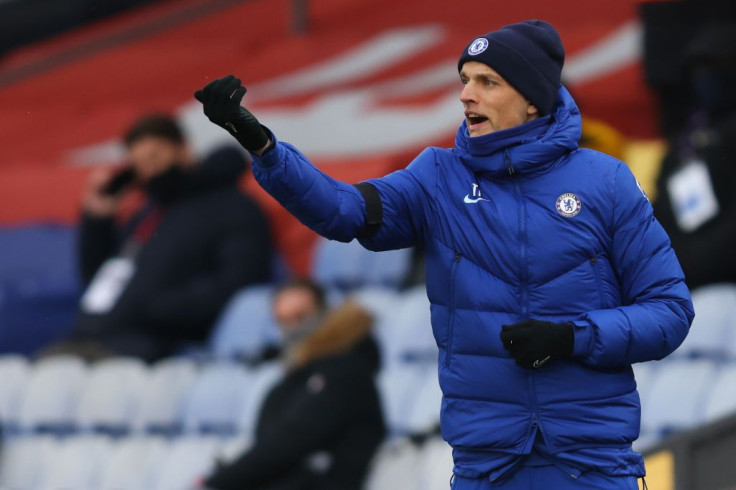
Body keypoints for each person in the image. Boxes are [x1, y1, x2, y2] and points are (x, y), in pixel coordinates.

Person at [194, 20, 693, 489]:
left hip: (591, 465)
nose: (465, 94)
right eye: (465, 79)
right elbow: (342, 210)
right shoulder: (436, 177)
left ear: (533, 102)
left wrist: (573, 338)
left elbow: (670, 311)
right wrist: (262, 147)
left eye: (487, 82)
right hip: (488, 464)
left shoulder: (605, 181)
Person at [47, 114, 273, 362]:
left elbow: (239, 281)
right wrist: (98, 222)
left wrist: (154, 308)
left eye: (155, 156)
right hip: (93, 341)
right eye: (139, 164)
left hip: (164, 348)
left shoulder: (232, 207)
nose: (150, 170)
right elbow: (99, 282)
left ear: (183, 150)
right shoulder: (145, 214)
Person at [203, 278, 385, 490]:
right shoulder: (298, 375)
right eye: (283, 320)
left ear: (323, 311)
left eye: (300, 316)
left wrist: (219, 481)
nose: (292, 328)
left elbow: (289, 442)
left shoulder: (342, 373)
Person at [652, 22, 736, 290]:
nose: (704, 78)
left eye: (714, 68)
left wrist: (693, 265)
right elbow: (660, 217)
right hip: (688, 291)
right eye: (696, 71)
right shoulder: (684, 144)